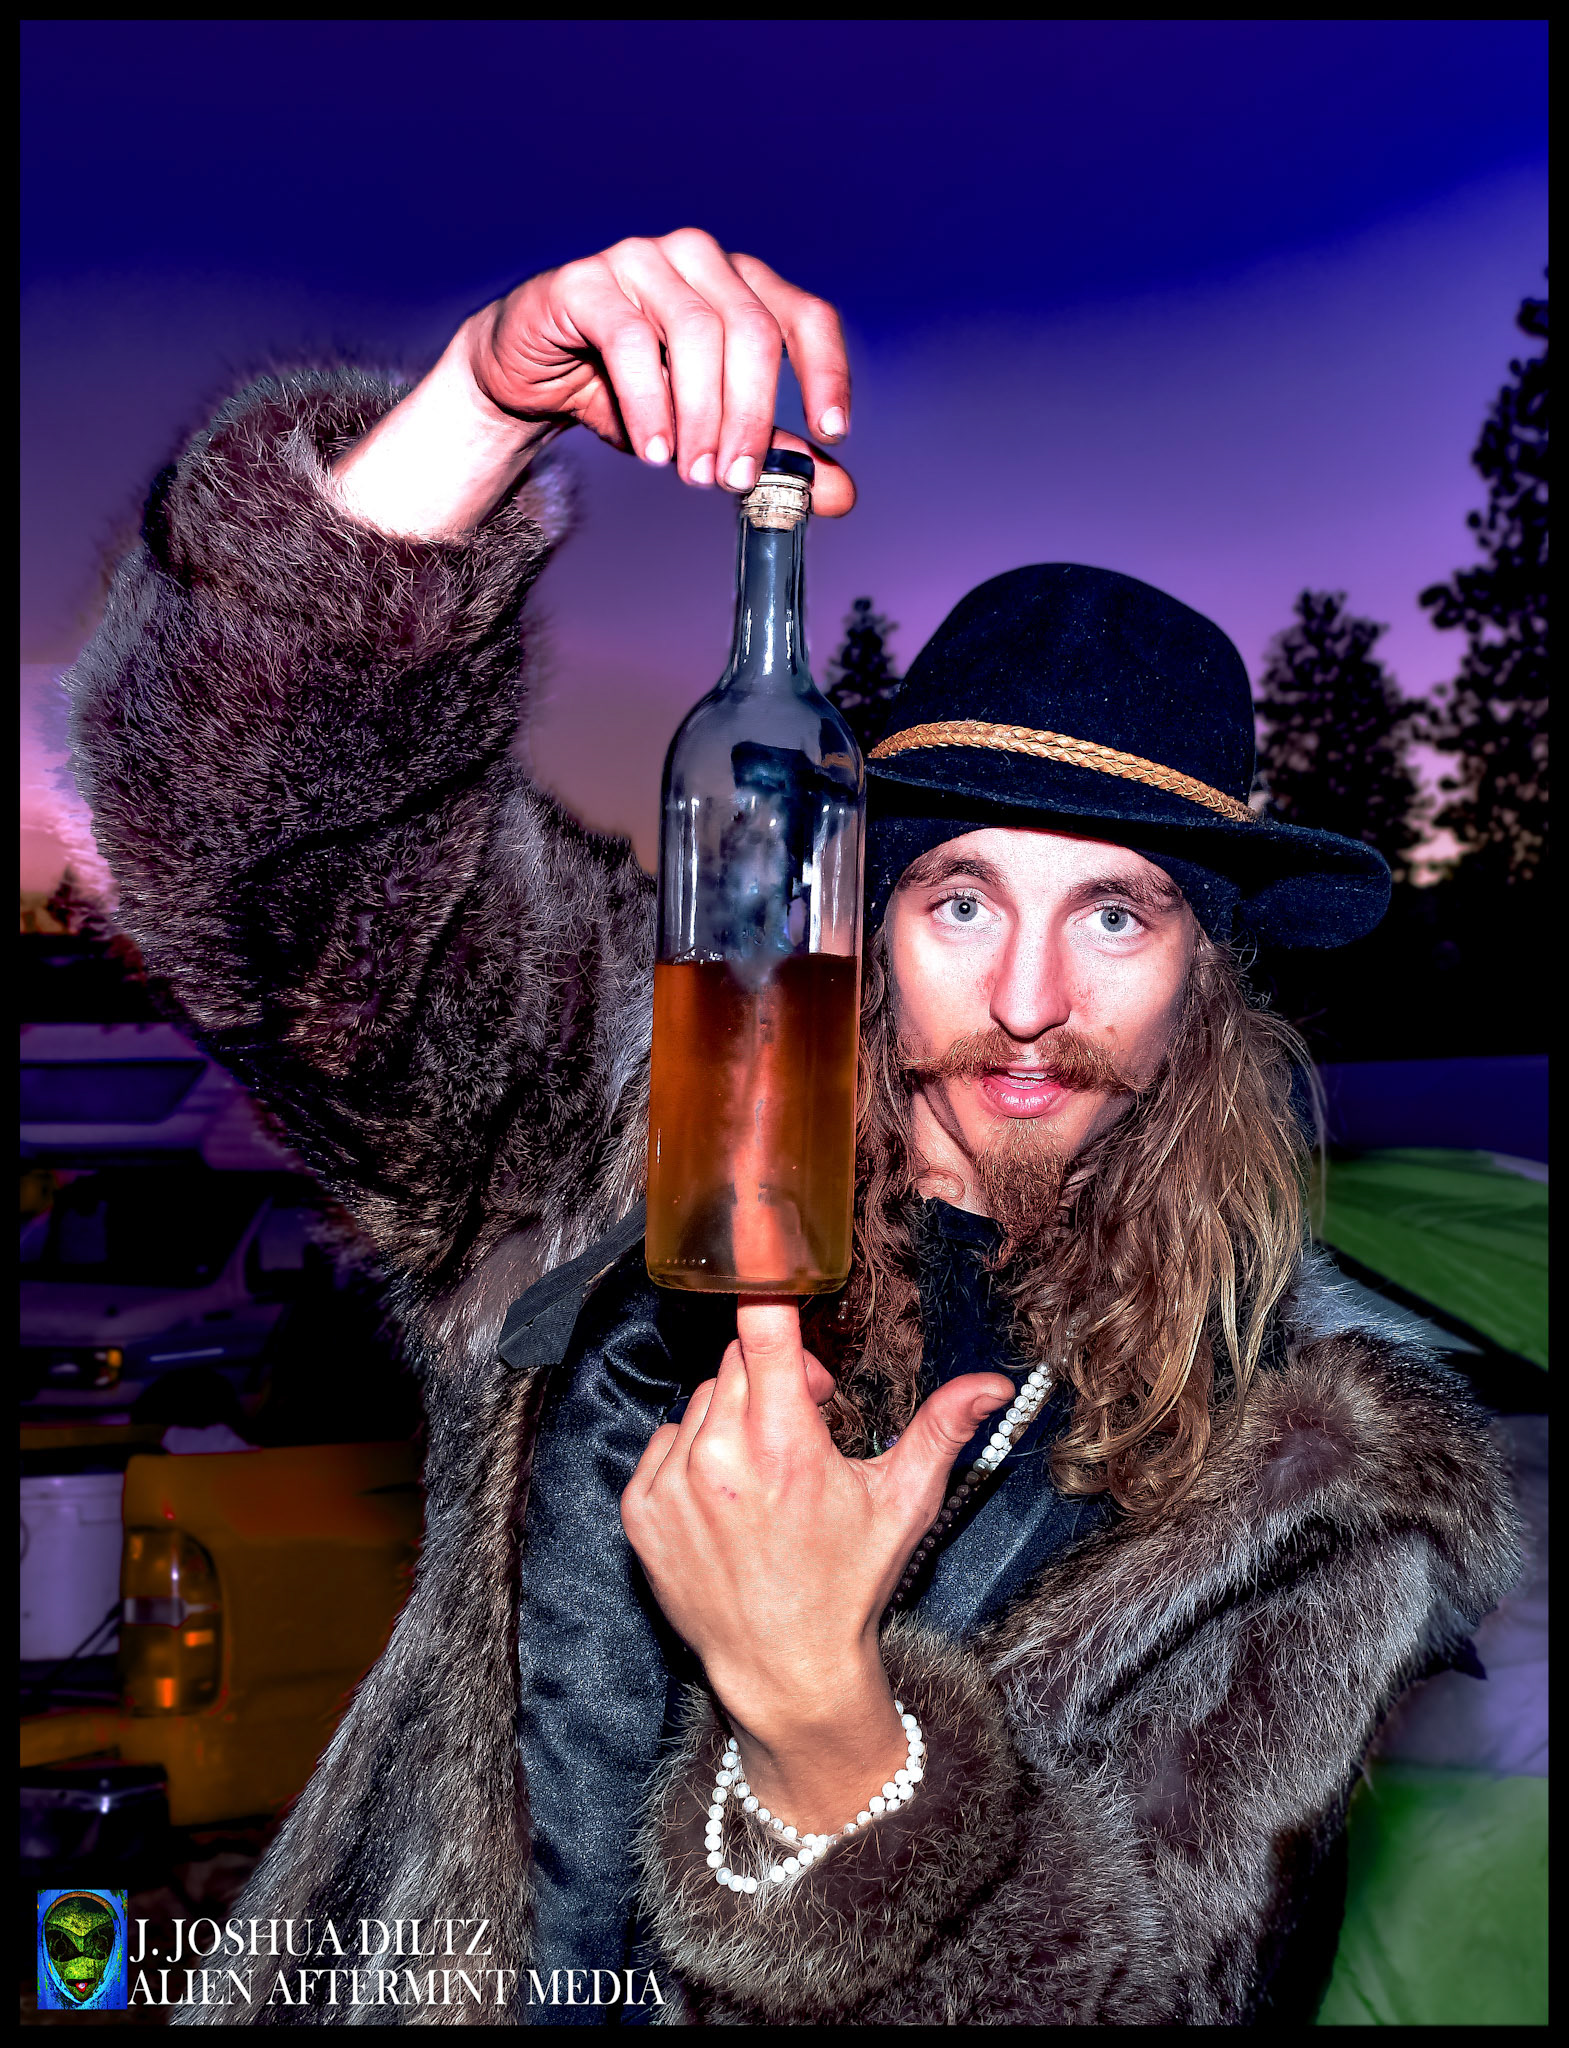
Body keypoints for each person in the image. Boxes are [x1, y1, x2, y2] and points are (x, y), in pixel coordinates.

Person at [69, 230, 1518, 2026]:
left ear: (1203, 980)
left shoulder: (1314, 1472)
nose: (1029, 997)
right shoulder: (638, 1112)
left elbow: (1149, 1991)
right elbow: (254, 860)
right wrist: (477, 407)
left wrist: (822, 1721)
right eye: (963, 900)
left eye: (1117, 914)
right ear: (867, 918)